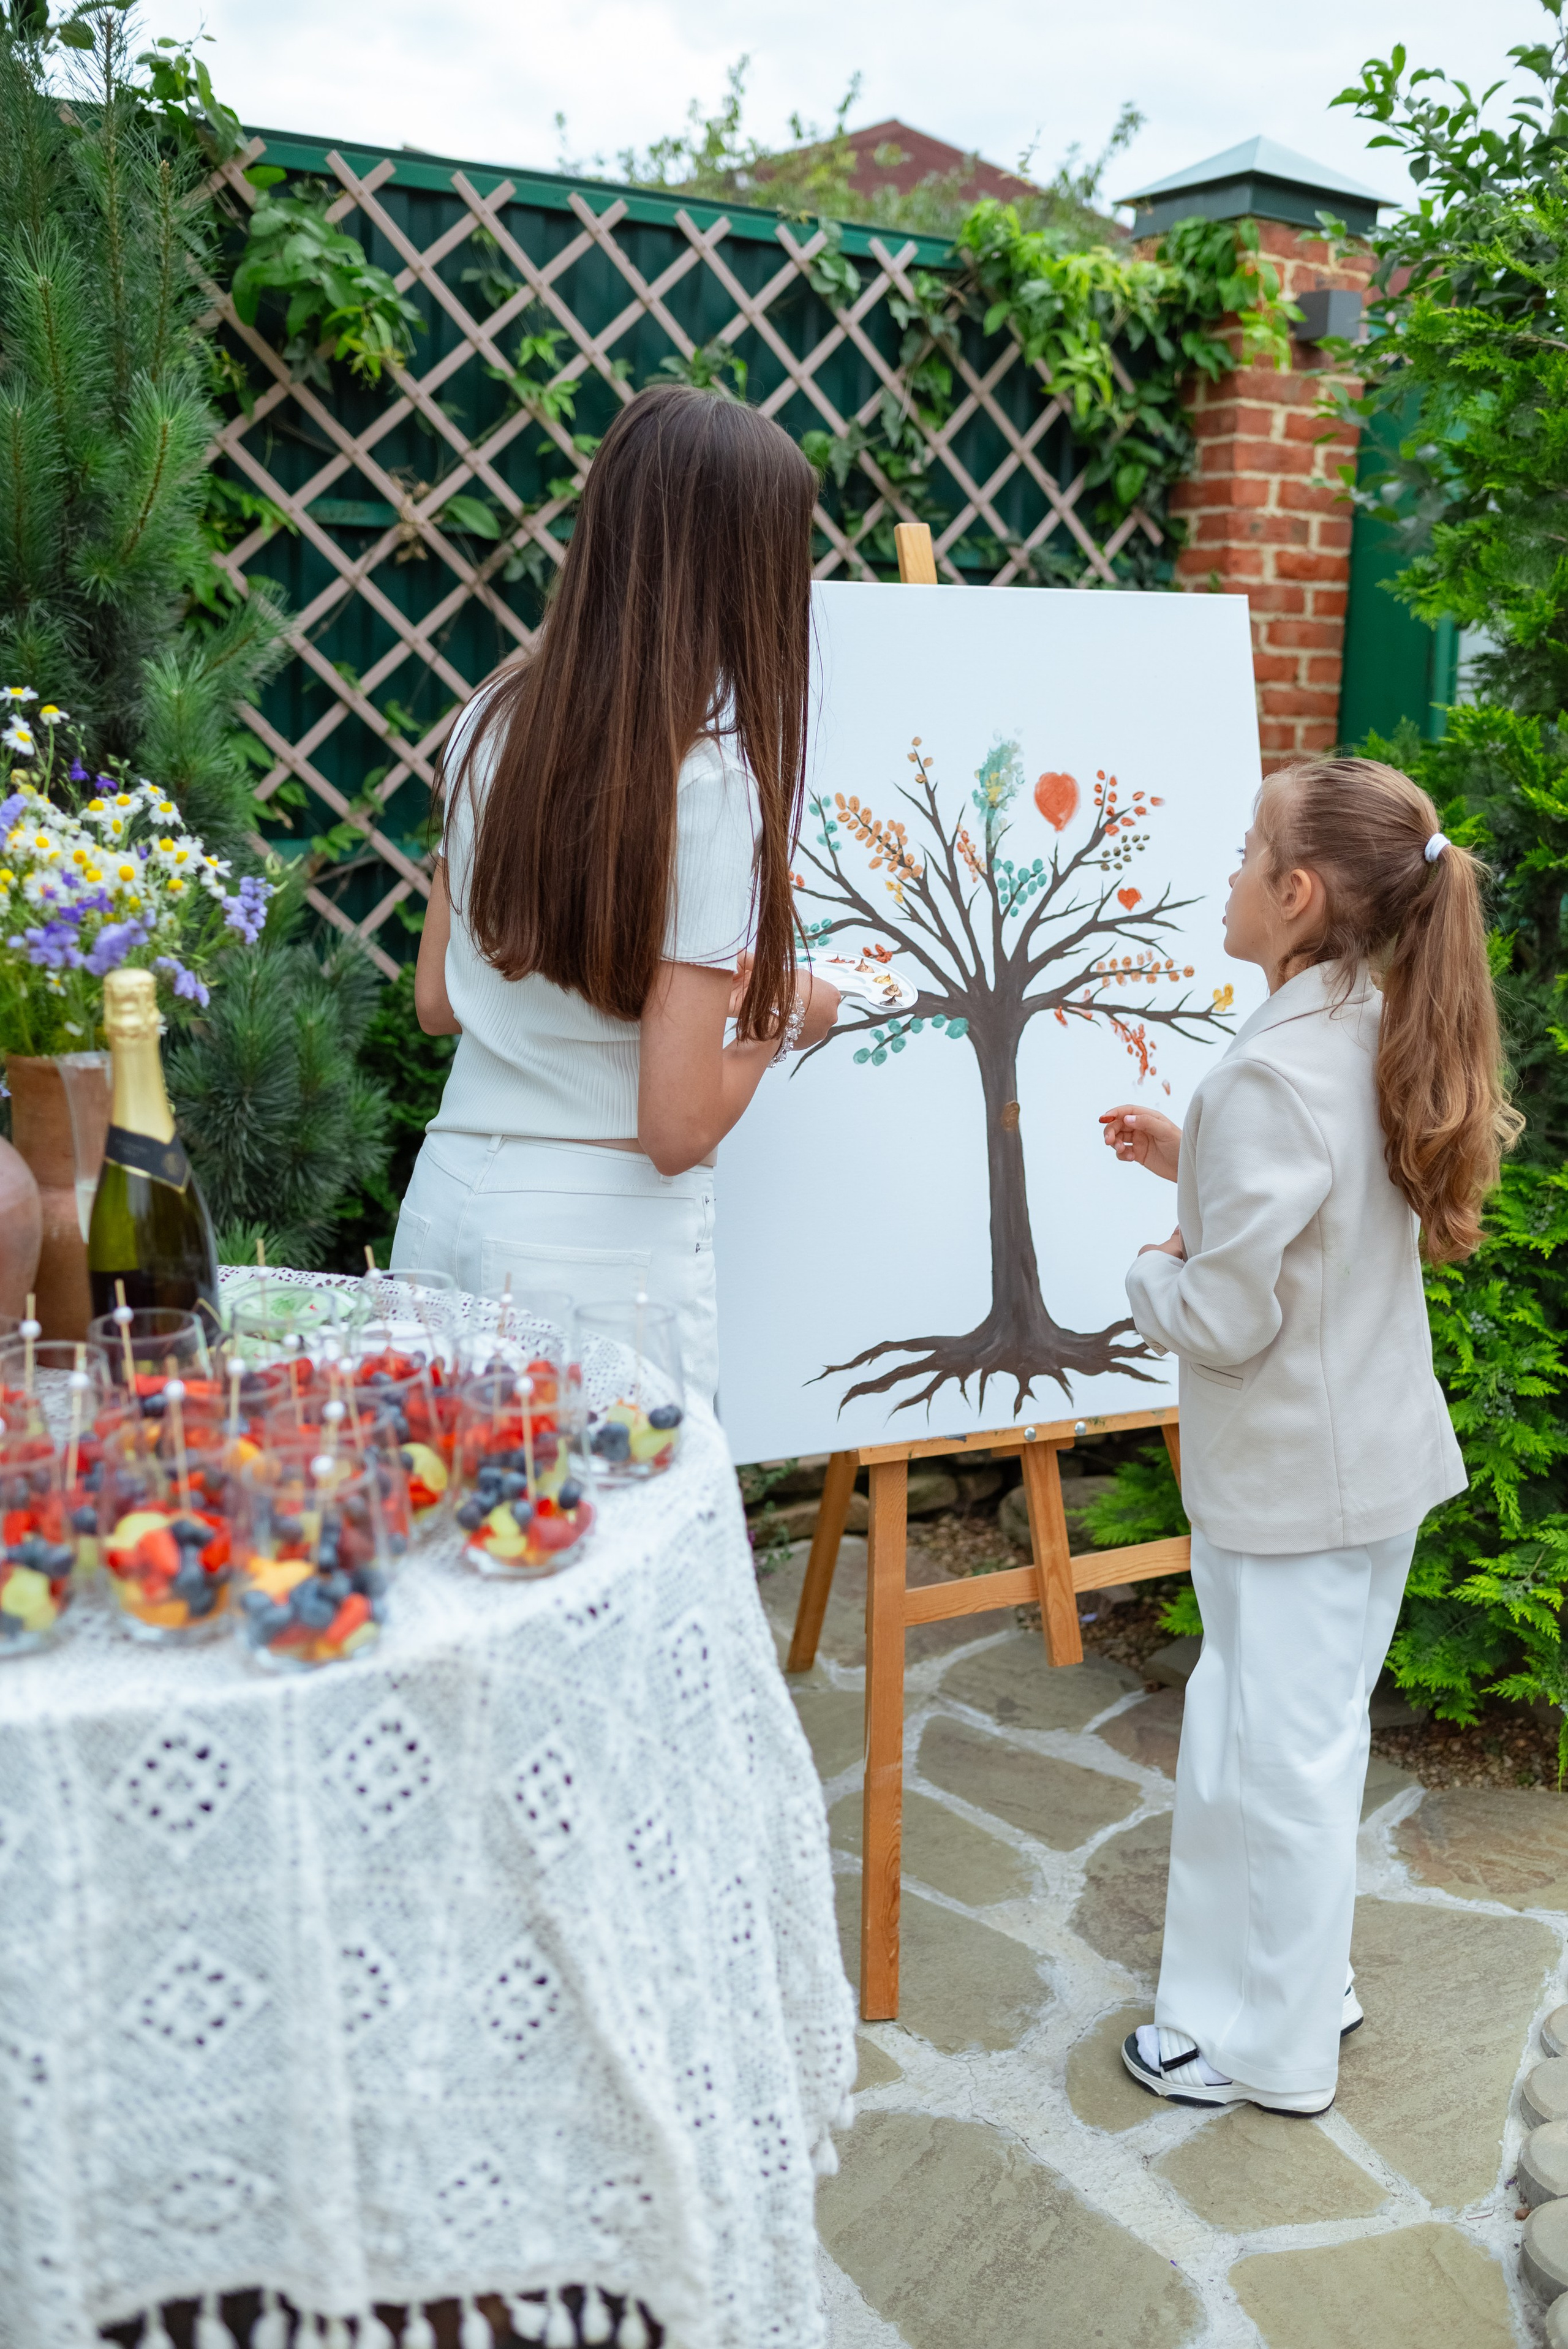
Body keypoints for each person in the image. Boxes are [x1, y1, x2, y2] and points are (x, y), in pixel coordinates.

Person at [1099, 755, 1520, 2116]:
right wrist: (1194, 1158)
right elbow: (1322, 1206)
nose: (1224, 877)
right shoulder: (1366, 1023)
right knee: (1289, 1736)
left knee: (1271, 1755)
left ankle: (1267, 2048)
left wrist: (1145, 1273)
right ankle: (1294, 1982)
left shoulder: (1268, 1074)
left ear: (1290, 895)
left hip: (1290, 1489)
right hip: (1360, 1473)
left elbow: (1221, 1315)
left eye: (1241, 855)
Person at [394, 383, 839, 1403]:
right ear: (747, 573)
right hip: (592, 1255)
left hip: (445, 1204)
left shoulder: (488, 721)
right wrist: (780, 1017)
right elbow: (676, 1131)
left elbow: (438, 1001)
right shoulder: (710, 783)